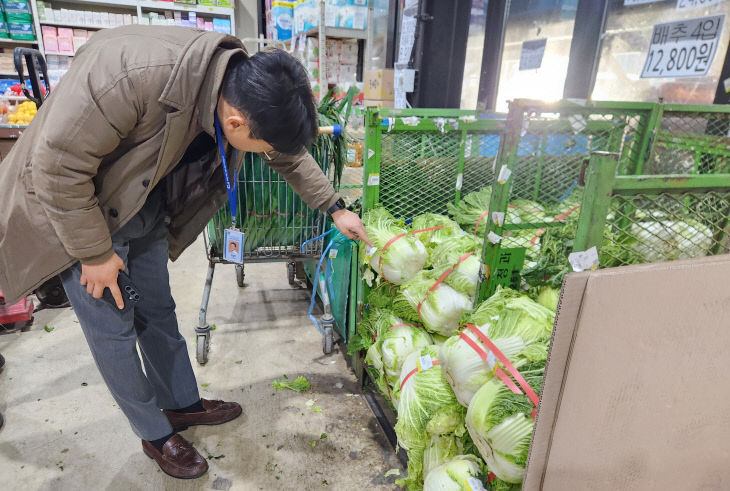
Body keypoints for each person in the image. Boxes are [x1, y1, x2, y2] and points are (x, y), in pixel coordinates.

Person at [0, 26, 371, 479]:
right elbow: (56, 170)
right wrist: (95, 254)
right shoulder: (130, 77)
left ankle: (181, 404)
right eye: (261, 145)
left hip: (141, 198)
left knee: (156, 308)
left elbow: (286, 154)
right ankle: (154, 433)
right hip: (78, 212)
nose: (267, 154)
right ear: (236, 124)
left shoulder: (239, 84)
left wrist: (334, 207)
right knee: (113, 328)